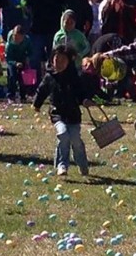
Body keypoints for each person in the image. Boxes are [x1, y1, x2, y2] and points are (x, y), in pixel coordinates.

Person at [33, 45, 95, 176]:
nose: (59, 64)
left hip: (73, 115)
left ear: (69, 62)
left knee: (75, 140)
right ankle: (62, 165)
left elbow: (81, 93)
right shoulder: (49, 77)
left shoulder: (74, 77)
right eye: (56, 60)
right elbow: (42, 90)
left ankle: (82, 163)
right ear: (52, 60)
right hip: (57, 114)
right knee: (63, 134)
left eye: (63, 60)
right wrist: (37, 104)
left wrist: (85, 101)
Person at [27, 0, 66, 79]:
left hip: (52, 30)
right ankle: (35, 83)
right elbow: (28, 2)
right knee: (35, 58)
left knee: (54, 57)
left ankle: (53, 80)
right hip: (37, 29)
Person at [5, 25, 32, 103]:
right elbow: (8, 58)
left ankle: (23, 96)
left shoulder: (27, 40)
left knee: (23, 78)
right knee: (12, 77)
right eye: (15, 36)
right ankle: (11, 96)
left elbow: (31, 52)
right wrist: (15, 63)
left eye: (19, 37)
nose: (16, 39)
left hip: (22, 59)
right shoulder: (9, 44)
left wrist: (27, 58)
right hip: (12, 61)